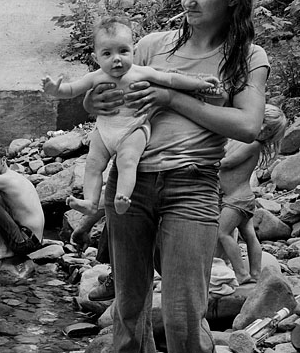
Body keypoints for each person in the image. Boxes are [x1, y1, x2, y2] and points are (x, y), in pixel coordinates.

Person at [85, 0, 268, 353]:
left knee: (186, 318)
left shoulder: (246, 56)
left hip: (192, 187)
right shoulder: (150, 46)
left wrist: (171, 97)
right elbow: (108, 99)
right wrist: (93, 98)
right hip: (131, 184)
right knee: (129, 311)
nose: (189, 0)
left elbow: (247, 125)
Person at [42, 15, 219, 214]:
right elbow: (72, 89)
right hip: (105, 130)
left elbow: (170, 79)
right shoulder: (95, 77)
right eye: (107, 53)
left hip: (133, 128)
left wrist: (199, 83)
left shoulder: (141, 72)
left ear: (133, 51)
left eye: (123, 51)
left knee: (127, 161)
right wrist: (56, 91)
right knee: (92, 163)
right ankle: (90, 202)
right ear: (95, 58)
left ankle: (122, 196)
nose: (117, 59)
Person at [217, 104, 287, 284]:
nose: (262, 129)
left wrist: (204, 161)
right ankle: (256, 273)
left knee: (222, 233)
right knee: (249, 235)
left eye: (269, 128)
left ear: (272, 135)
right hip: (243, 199)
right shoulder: (242, 139)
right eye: (261, 122)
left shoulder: (253, 144)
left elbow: (228, 163)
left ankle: (242, 273)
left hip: (236, 200)